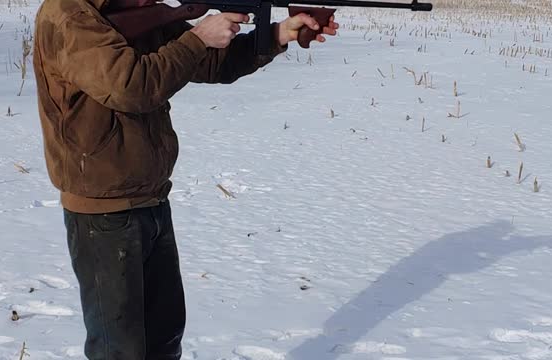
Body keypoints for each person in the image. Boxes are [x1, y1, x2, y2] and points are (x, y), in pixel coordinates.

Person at [32, 0, 338, 359]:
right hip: (103, 212)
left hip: (151, 197)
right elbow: (131, 85)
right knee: (120, 350)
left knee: (164, 339)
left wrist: (276, 34)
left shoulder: (131, 8)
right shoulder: (70, 14)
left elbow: (207, 61)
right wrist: (197, 37)